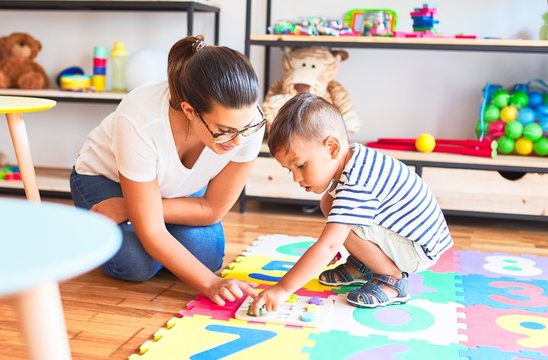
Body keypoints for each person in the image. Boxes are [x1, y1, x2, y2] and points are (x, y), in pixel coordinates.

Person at [70, 35, 266, 306]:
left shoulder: (246, 123)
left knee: (206, 255)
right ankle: (83, 229)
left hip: (160, 193)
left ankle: (136, 218)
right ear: (189, 110)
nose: (238, 142)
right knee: (136, 263)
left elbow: (211, 209)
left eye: (246, 127)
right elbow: (152, 231)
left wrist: (130, 208)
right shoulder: (140, 117)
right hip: (104, 179)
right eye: (224, 132)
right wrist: (210, 283)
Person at [250, 93, 453, 312]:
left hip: (417, 250)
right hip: (409, 239)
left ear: (332, 148)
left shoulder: (357, 180)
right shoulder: (355, 159)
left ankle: (392, 279)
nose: (296, 178)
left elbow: (329, 245)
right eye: (290, 170)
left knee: (341, 224)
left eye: (300, 165)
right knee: (329, 204)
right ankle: (364, 265)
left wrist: (282, 289)